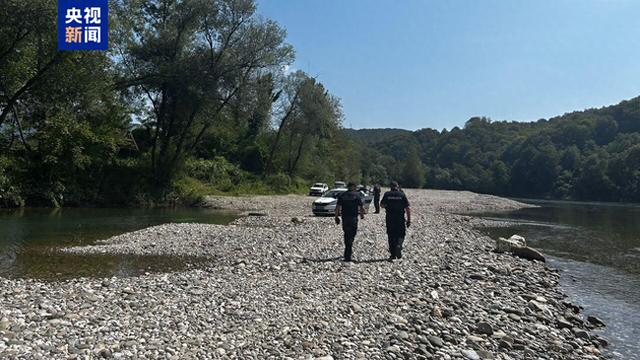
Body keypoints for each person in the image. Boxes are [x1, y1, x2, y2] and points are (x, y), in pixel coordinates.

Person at [335, 182, 365, 262]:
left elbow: (338, 207)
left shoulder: (342, 195)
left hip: (345, 218)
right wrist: (362, 215)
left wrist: (336, 217)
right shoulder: (357, 195)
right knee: (352, 234)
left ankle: (347, 251)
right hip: (353, 218)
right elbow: (361, 207)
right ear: (354, 187)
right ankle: (348, 251)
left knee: (346, 233)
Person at [380, 181, 411, 260]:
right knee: (401, 234)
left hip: (390, 218)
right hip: (400, 218)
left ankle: (393, 254)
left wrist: (388, 205)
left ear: (390, 187)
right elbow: (407, 208)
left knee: (391, 235)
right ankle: (398, 245)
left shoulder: (387, 194)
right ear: (397, 186)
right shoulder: (402, 194)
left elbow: (382, 205)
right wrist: (409, 220)